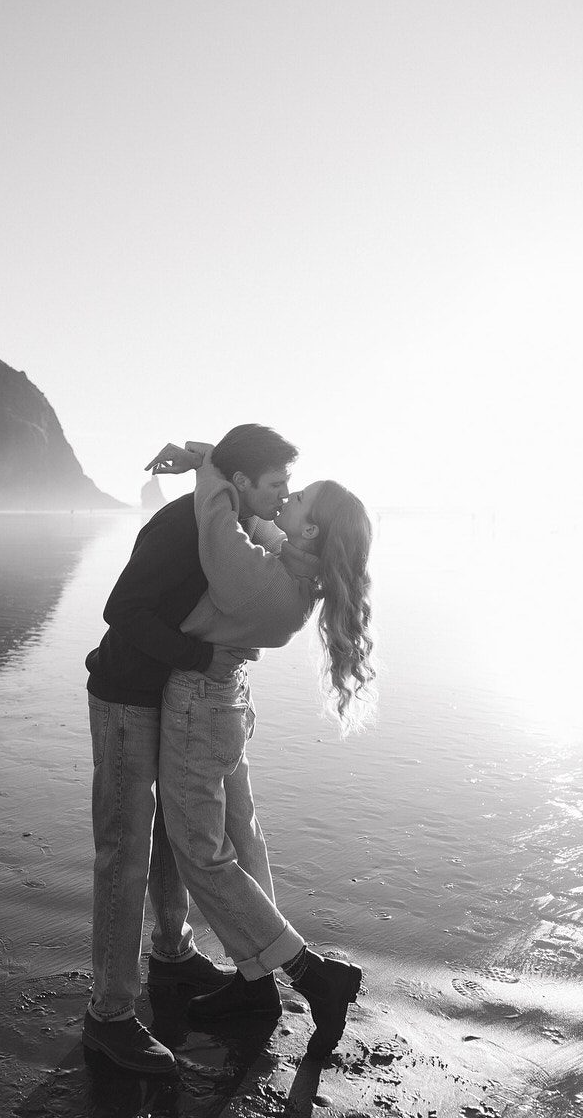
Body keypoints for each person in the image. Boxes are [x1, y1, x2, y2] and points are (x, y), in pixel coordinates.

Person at [147, 440, 375, 1060]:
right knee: (242, 842)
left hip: (199, 703)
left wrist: (214, 467)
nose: (284, 501)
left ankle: (309, 975)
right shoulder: (296, 567)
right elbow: (268, 531)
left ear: (313, 528)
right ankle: (256, 983)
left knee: (202, 854)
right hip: (225, 702)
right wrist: (207, 453)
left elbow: (216, 522)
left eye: (296, 499)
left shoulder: (263, 584)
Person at [82, 424, 298, 1074]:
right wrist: (202, 656)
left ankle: (172, 957)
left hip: (173, 697)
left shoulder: (228, 528)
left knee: (179, 835)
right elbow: (123, 609)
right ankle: (110, 1016)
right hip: (126, 697)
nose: (286, 497)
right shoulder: (182, 526)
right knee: (124, 852)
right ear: (238, 484)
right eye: (277, 485)